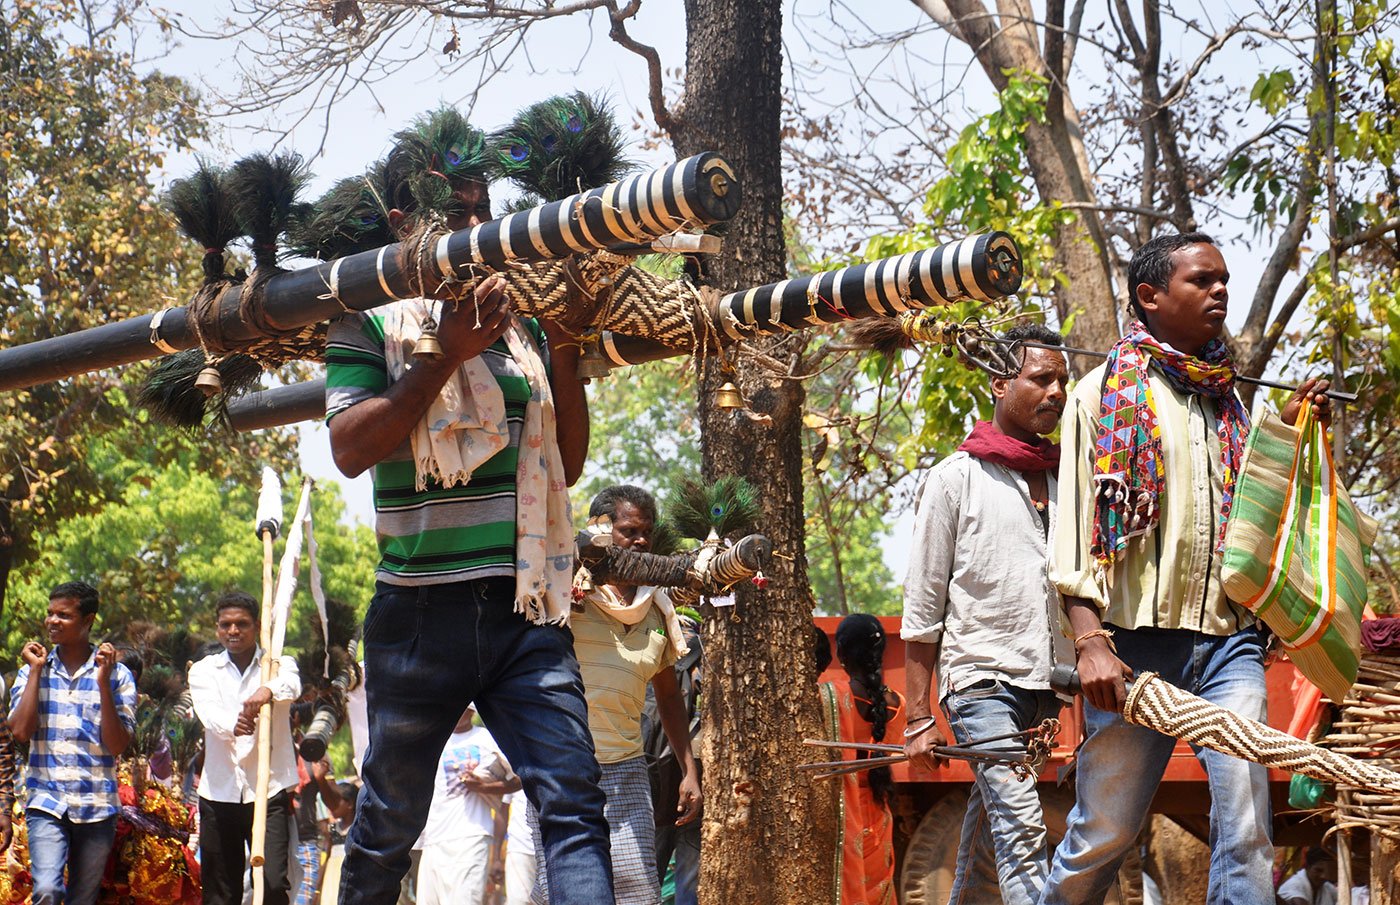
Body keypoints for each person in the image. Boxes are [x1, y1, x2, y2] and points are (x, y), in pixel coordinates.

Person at [323, 108, 609, 905]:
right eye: (458, 212)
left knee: (575, 800)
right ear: (405, 221)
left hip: (525, 607)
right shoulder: (364, 316)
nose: (477, 228)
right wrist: (441, 354)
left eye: (483, 209)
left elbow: (569, 462)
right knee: (386, 826)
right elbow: (350, 448)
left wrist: (569, 343)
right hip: (418, 616)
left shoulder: (521, 330)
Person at [1042, 232, 1333, 905]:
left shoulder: (1231, 405)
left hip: (1230, 645)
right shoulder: (1099, 396)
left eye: (1224, 279)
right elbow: (1074, 535)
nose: (1220, 290)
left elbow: (1254, 516)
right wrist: (1090, 643)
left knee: (1248, 821)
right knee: (1104, 833)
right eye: (1202, 280)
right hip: (1134, 649)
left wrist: (1288, 428)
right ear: (1150, 296)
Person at [901, 323, 1072, 905]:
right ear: (1000, 384)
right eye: (1040, 378)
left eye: (1062, 382)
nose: (1055, 392)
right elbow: (923, 610)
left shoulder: (1066, 479)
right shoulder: (955, 479)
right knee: (1023, 822)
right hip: (979, 683)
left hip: (1045, 687)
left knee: (985, 831)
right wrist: (919, 718)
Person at [531, 485, 701, 905]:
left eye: (647, 532)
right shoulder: (566, 594)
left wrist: (689, 770)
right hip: (561, 769)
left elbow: (668, 696)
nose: (641, 541)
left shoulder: (658, 609)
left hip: (627, 771)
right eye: (629, 531)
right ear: (601, 530)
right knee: (565, 890)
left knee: (638, 893)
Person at [9, 581, 136, 905]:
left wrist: (103, 684)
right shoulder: (30, 672)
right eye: (50, 614)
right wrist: (36, 671)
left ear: (88, 620)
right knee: (47, 890)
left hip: (97, 807)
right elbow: (20, 732)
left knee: (83, 898)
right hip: (45, 802)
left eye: (63, 615)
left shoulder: (117, 674)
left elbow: (118, 745)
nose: (52, 621)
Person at [188, 590, 302, 905]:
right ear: (217, 628)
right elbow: (208, 713)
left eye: (241, 624)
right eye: (226, 625)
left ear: (256, 627)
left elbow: (292, 685)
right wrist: (234, 724)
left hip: (269, 789)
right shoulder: (203, 670)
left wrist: (268, 689)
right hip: (219, 793)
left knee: (273, 881)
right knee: (221, 891)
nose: (233, 631)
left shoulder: (277, 664)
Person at [820, 614, 905, 905]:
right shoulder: (898, 703)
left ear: (841, 654)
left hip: (845, 815)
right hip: (880, 817)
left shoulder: (829, 697)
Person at [414, 705, 519, 905]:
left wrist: (483, 787)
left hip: (471, 838)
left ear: (471, 710)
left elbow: (519, 780)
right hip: (434, 840)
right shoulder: (432, 739)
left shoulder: (487, 738)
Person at [642, 612, 702, 905]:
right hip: (696, 789)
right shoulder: (705, 662)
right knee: (690, 884)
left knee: (644, 879)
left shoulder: (648, 653)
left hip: (654, 790)